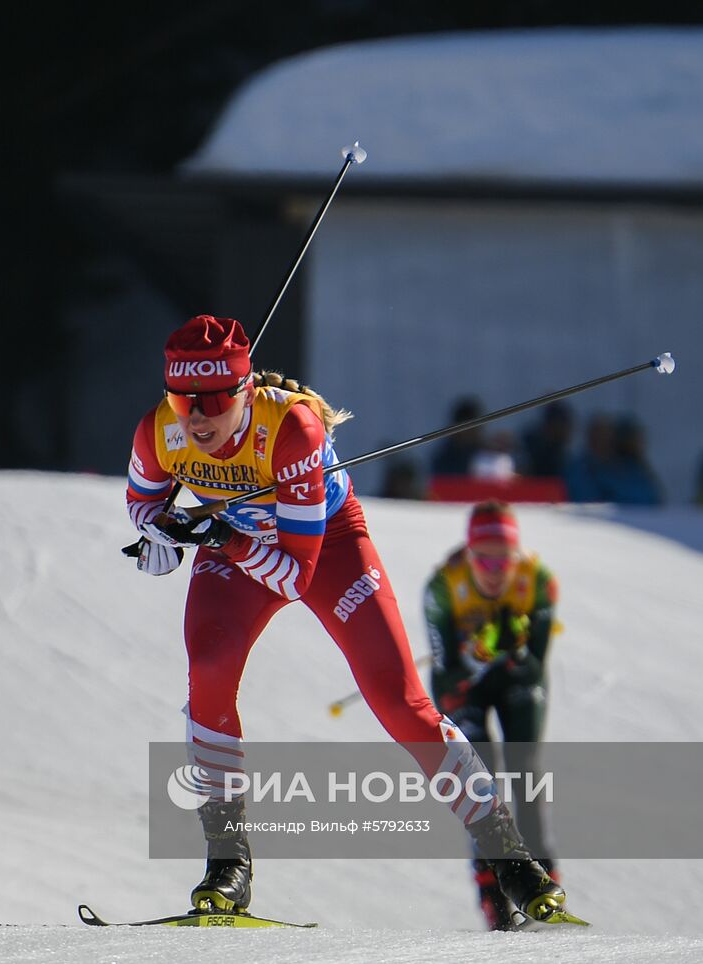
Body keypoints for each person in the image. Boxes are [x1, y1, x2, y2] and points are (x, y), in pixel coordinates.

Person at [125, 314, 567, 923]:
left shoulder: (293, 432)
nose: (196, 417)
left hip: (324, 547)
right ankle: (228, 862)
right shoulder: (159, 432)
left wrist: (218, 536)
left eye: (215, 399)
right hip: (236, 541)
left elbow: (294, 575)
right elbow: (142, 506)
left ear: (246, 391)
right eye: (183, 400)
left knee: (398, 701)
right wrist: (159, 543)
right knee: (209, 667)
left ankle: (512, 860)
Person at [424, 501, 561, 930]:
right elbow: (447, 679)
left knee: (526, 772)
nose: (495, 568)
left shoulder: (538, 580)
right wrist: (479, 651)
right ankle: (493, 895)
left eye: (505, 558)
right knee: (481, 780)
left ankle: (544, 884)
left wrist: (512, 647)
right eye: (483, 557)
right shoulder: (444, 587)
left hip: (516, 680)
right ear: (468, 554)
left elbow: (536, 663)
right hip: (467, 685)